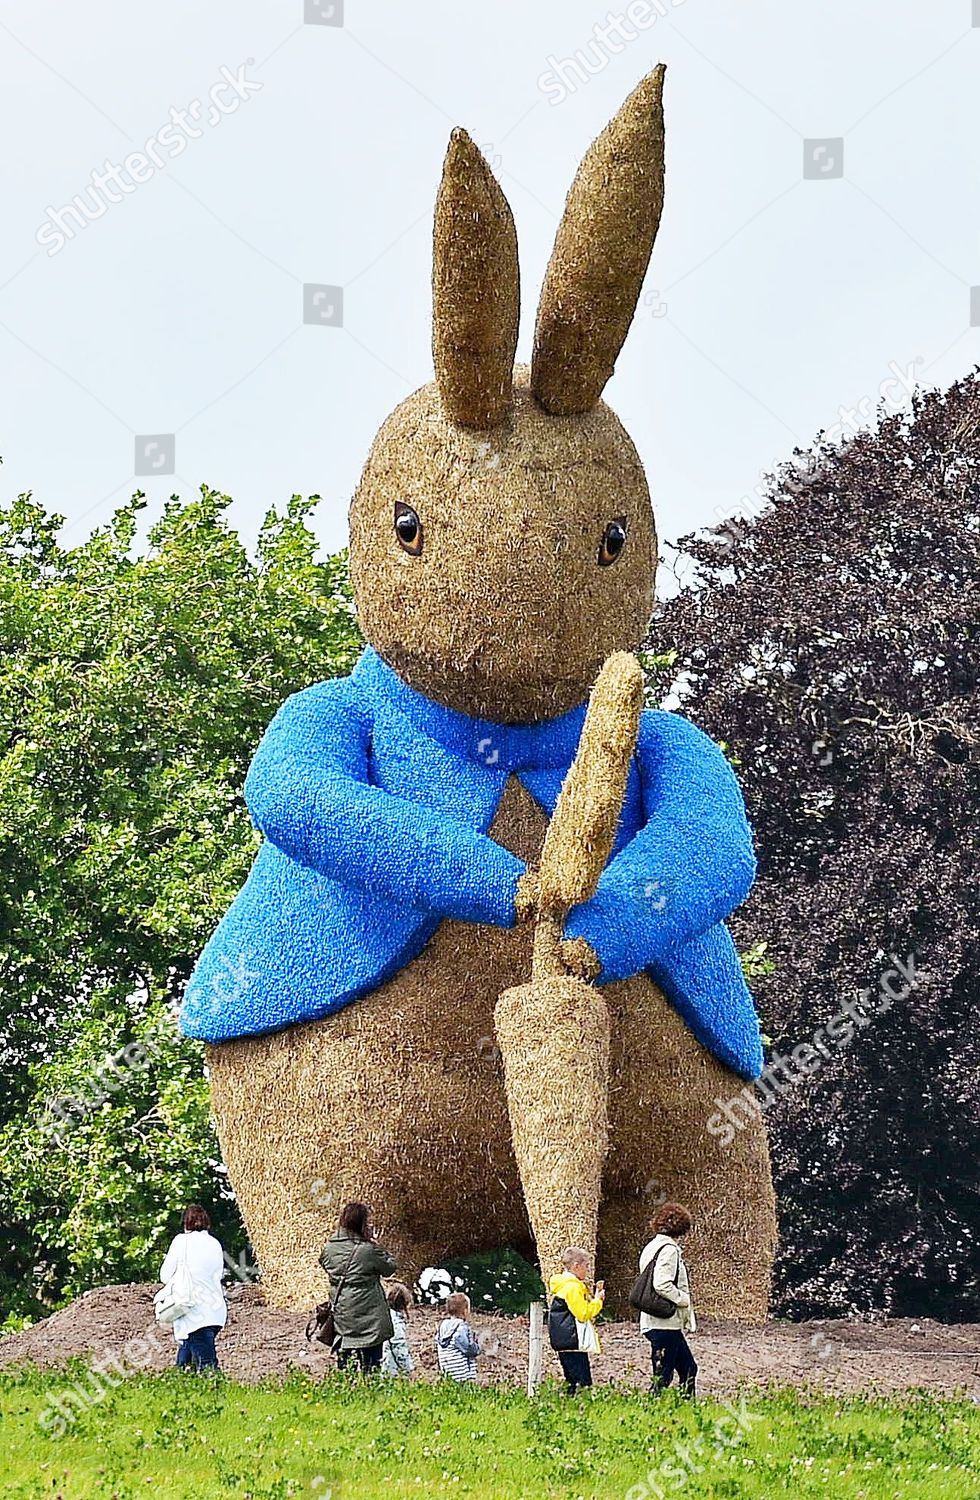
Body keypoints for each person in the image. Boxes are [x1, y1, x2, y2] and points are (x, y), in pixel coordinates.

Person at [319, 1201, 396, 1374]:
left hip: (343, 1313)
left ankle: (345, 1395)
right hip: (370, 1316)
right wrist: (378, 1246)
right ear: (362, 1223)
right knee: (371, 1366)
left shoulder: (329, 1248)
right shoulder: (368, 1250)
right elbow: (390, 1268)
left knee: (345, 1365)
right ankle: (370, 1395)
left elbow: (324, 1263)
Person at [638, 1202, 698, 1397]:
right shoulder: (669, 1250)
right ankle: (654, 1410)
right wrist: (682, 1299)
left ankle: (684, 1407)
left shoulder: (651, 1246)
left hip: (655, 1321)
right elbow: (661, 1284)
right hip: (664, 1322)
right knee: (663, 1376)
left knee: (688, 1368)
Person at [159, 1204, 227, 1373]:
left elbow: (165, 1275)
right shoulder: (215, 1243)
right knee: (185, 1359)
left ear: (185, 1223)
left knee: (208, 1366)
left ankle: (218, 1392)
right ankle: (179, 1383)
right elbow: (217, 1274)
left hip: (194, 1312)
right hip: (216, 1310)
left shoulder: (181, 1241)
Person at [547, 1247, 604, 1394]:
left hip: (563, 1340)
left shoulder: (562, 1285)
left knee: (571, 1380)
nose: (588, 1270)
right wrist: (598, 1301)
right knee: (582, 1383)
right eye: (586, 1266)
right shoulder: (572, 1288)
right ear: (576, 1266)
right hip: (573, 1339)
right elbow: (583, 1313)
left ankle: (567, 1408)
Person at [436, 1292, 481, 1382]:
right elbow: (468, 1348)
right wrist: (477, 1347)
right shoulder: (461, 1328)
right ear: (465, 1311)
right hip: (462, 1375)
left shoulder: (443, 1326)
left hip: (448, 1372)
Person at [381, 1282, 415, 1377]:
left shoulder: (384, 1315)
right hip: (391, 1370)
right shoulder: (396, 1322)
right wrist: (408, 1369)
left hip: (382, 1364)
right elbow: (398, 1346)